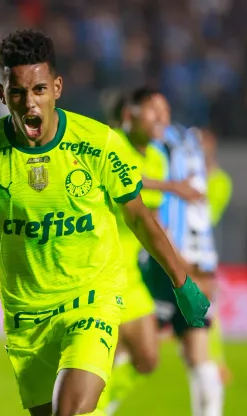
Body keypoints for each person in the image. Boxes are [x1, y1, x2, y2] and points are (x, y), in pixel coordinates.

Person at [0, 29, 210, 416]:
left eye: (39, 89)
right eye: (18, 92)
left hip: (92, 301)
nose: (29, 103)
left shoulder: (98, 144)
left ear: (57, 87)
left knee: (69, 411)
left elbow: (139, 217)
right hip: (27, 319)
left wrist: (182, 282)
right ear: (2, 94)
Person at [97, 88, 203, 415]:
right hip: (97, 272)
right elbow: (130, 181)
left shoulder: (157, 156)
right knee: (98, 361)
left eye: (166, 110)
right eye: (154, 109)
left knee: (148, 357)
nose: (162, 117)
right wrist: (173, 187)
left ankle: (97, 406)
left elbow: (150, 218)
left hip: (130, 275)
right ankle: (91, 408)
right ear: (130, 114)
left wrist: (178, 262)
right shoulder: (109, 142)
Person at [142, 92, 224, 416]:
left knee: (132, 348)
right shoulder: (199, 166)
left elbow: (155, 210)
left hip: (170, 263)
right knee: (197, 355)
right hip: (197, 261)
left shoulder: (161, 149)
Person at [199, 127, 233, 384]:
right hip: (171, 250)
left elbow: (207, 215)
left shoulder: (220, 181)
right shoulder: (182, 175)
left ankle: (215, 362)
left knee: (209, 308)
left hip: (200, 252)